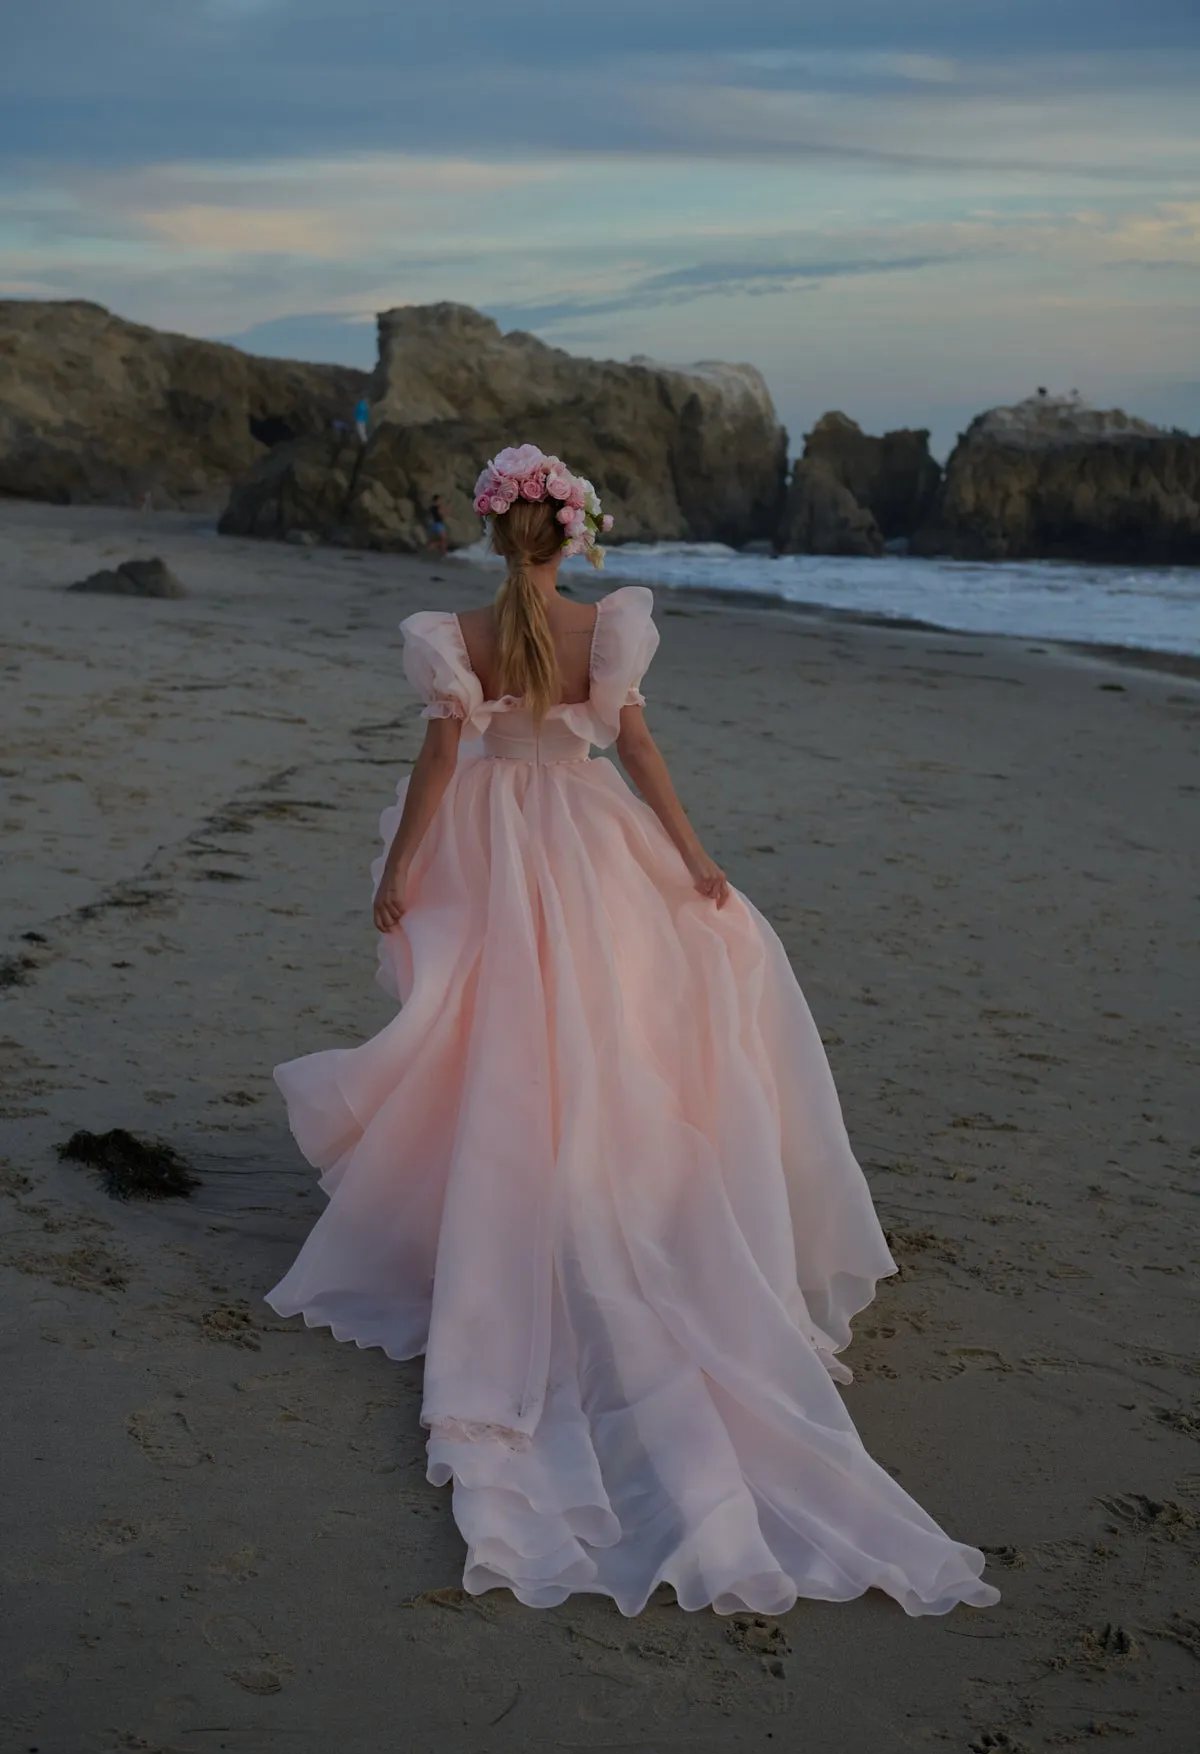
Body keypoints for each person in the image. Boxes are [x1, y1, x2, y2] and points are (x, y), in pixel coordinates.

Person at [266, 443, 1000, 1619]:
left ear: (495, 530)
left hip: (499, 845)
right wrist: (698, 861)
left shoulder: (456, 635)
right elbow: (639, 749)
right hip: (590, 839)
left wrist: (402, 868)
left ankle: (513, 1192)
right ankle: (610, 1187)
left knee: (497, 1030)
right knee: (618, 1019)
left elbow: (442, 758)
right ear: (574, 534)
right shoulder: (603, 630)